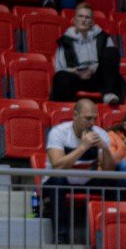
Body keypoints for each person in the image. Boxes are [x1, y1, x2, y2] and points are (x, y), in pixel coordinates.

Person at [41, 97, 115, 239]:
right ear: (75, 116)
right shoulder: (58, 132)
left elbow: (108, 171)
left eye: (94, 118)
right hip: (59, 180)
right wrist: (82, 147)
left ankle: (108, 234)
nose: (91, 123)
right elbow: (58, 166)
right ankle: (61, 234)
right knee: (57, 182)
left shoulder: (100, 134)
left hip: (87, 180)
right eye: (87, 118)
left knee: (115, 184)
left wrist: (105, 149)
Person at [49, 3, 126, 104]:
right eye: (80, 16)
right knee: (60, 78)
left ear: (92, 22)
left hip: (98, 77)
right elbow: (59, 69)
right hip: (76, 77)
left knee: (111, 51)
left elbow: (110, 64)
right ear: (75, 20)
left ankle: (109, 94)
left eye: (87, 17)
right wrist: (76, 72)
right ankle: (62, 108)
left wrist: (92, 69)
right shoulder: (65, 41)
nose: (83, 20)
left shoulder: (103, 37)